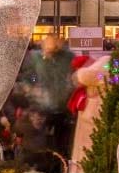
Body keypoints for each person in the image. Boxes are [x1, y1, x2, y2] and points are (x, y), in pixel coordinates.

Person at [18, 34, 77, 162]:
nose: (50, 50)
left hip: (63, 109)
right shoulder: (36, 57)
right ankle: (42, 169)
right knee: (40, 145)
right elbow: (27, 77)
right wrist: (32, 88)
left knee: (62, 145)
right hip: (42, 108)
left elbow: (74, 73)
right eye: (47, 46)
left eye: (54, 45)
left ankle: (60, 168)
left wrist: (71, 86)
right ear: (42, 45)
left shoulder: (67, 57)